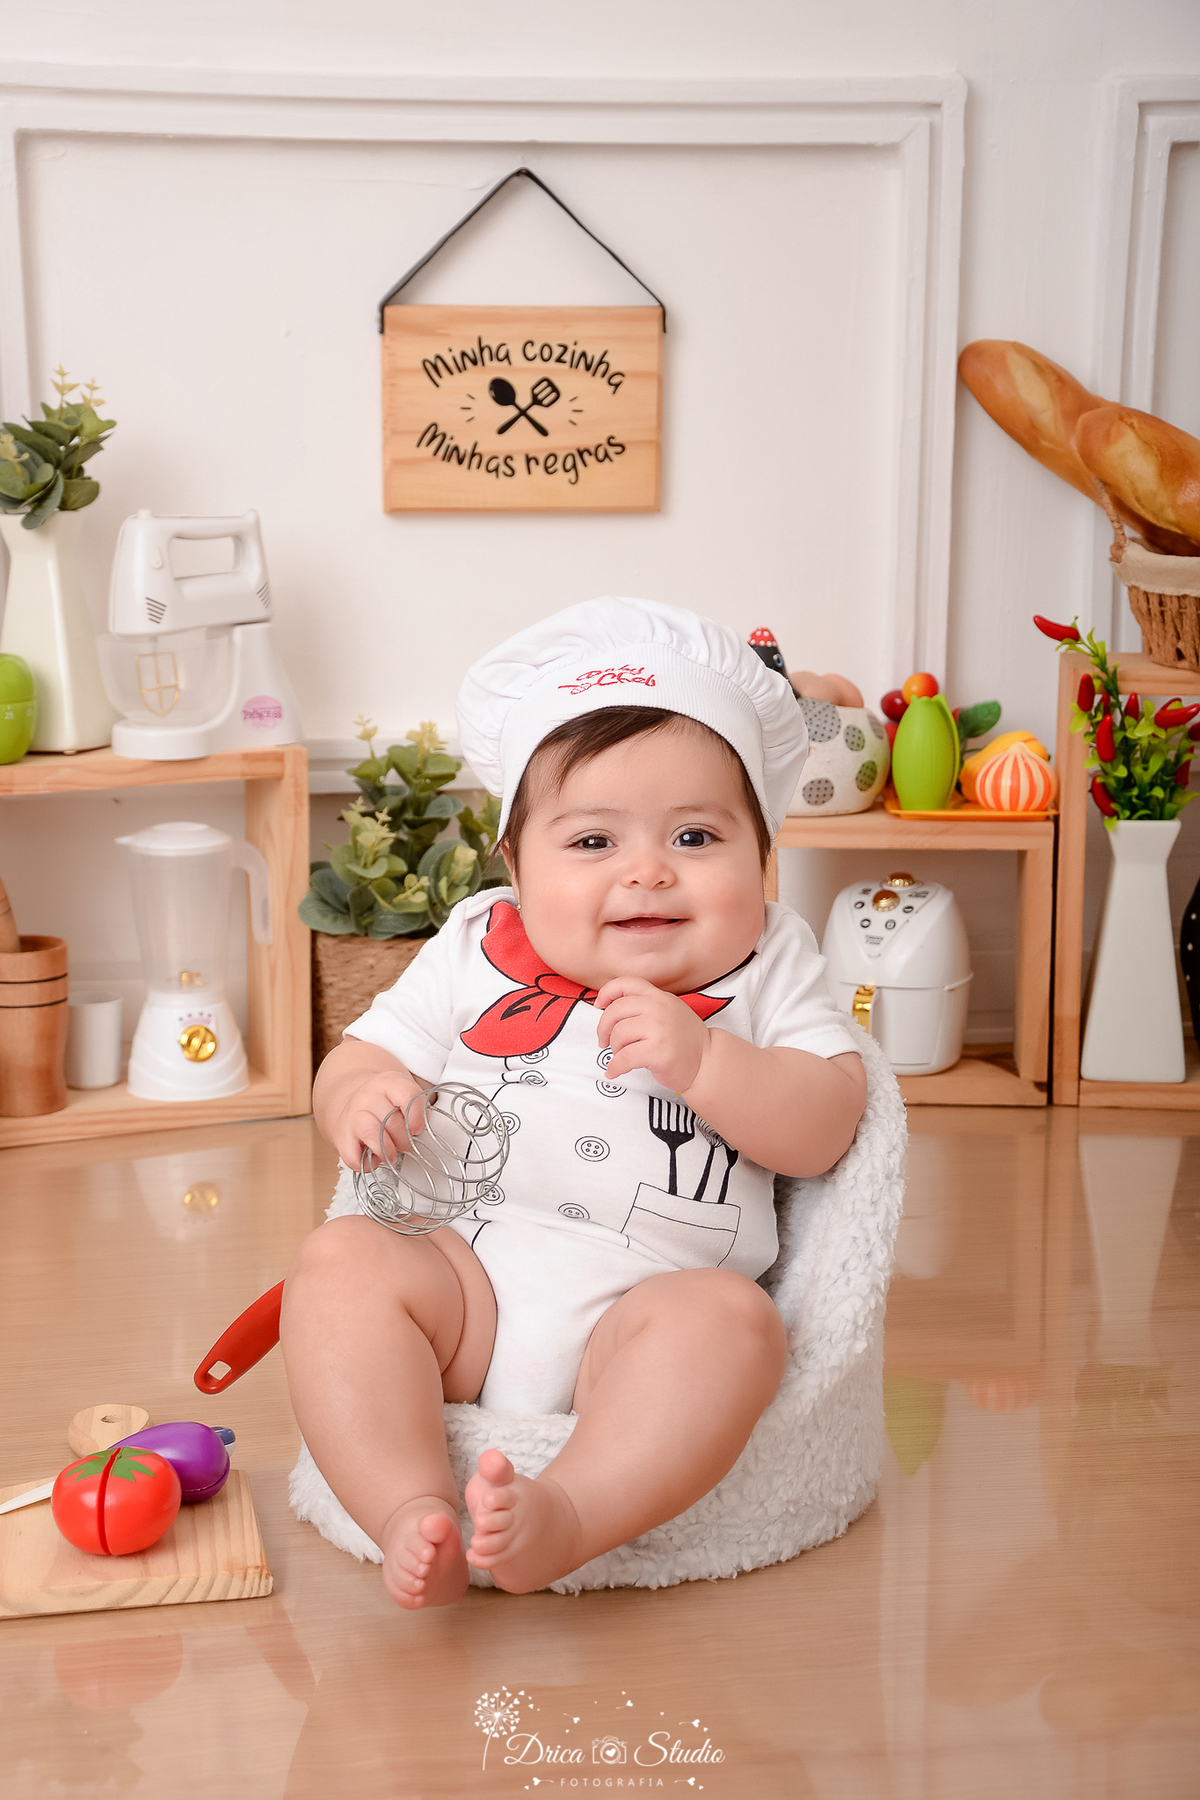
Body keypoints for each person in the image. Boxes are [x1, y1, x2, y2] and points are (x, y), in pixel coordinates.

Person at [281, 598, 867, 1608]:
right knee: (338, 1267)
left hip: (645, 1312)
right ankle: (405, 1505)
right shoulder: (475, 943)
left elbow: (827, 1126)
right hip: (469, 1288)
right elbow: (359, 1053)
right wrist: (360, 1095)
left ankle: (574, 1514)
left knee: (736, 1331)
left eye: (695, 835)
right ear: (516, 868)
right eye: (592, 843)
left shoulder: (773, 962)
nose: (647, 871)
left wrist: (710, 1064)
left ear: (762, 860)